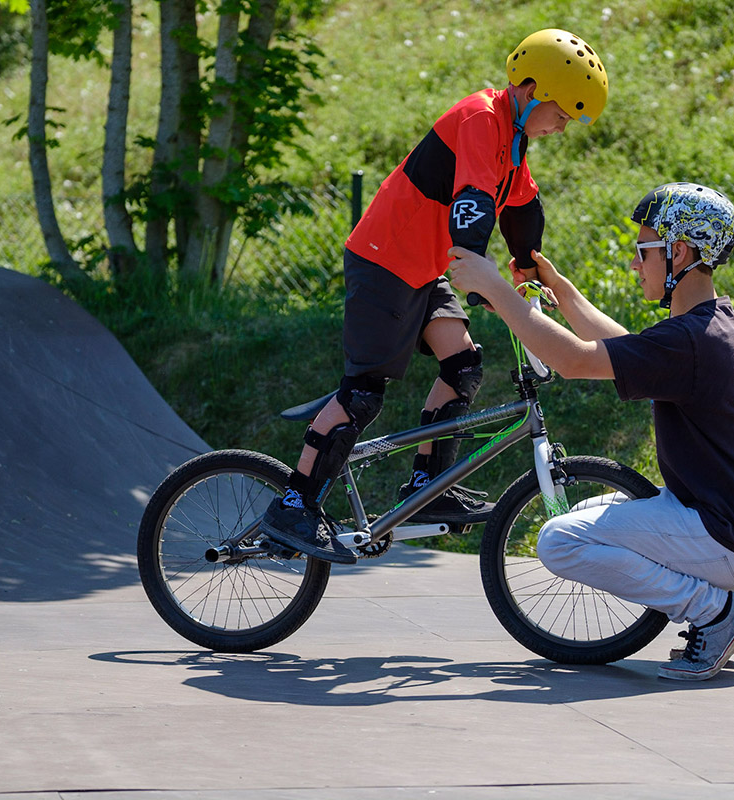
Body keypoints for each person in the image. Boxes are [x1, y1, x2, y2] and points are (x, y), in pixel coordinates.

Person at [260, 30, 610, 565]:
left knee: (464, 367)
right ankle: (294, 504)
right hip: (384, 260)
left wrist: (523, 271)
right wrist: (484, 277)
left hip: (425, 269)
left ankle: (427, 489)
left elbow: (521, 210)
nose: (563, 125)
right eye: (562, 112)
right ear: (532, 89)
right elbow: (471, 205)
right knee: (361, 395)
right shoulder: (479, 118)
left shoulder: (513, 145)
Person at [447, 182, 734, 681]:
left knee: (560, 543)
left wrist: (496, 289)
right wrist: (560, 289)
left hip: (732, 536)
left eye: (643, 250)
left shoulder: (689, 339)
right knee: (586, 515)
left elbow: (571, 360)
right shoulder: (712, 323)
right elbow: (626, 347)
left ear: (677, 252)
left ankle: (719, 612)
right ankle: (729, 598)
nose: (636, 264)